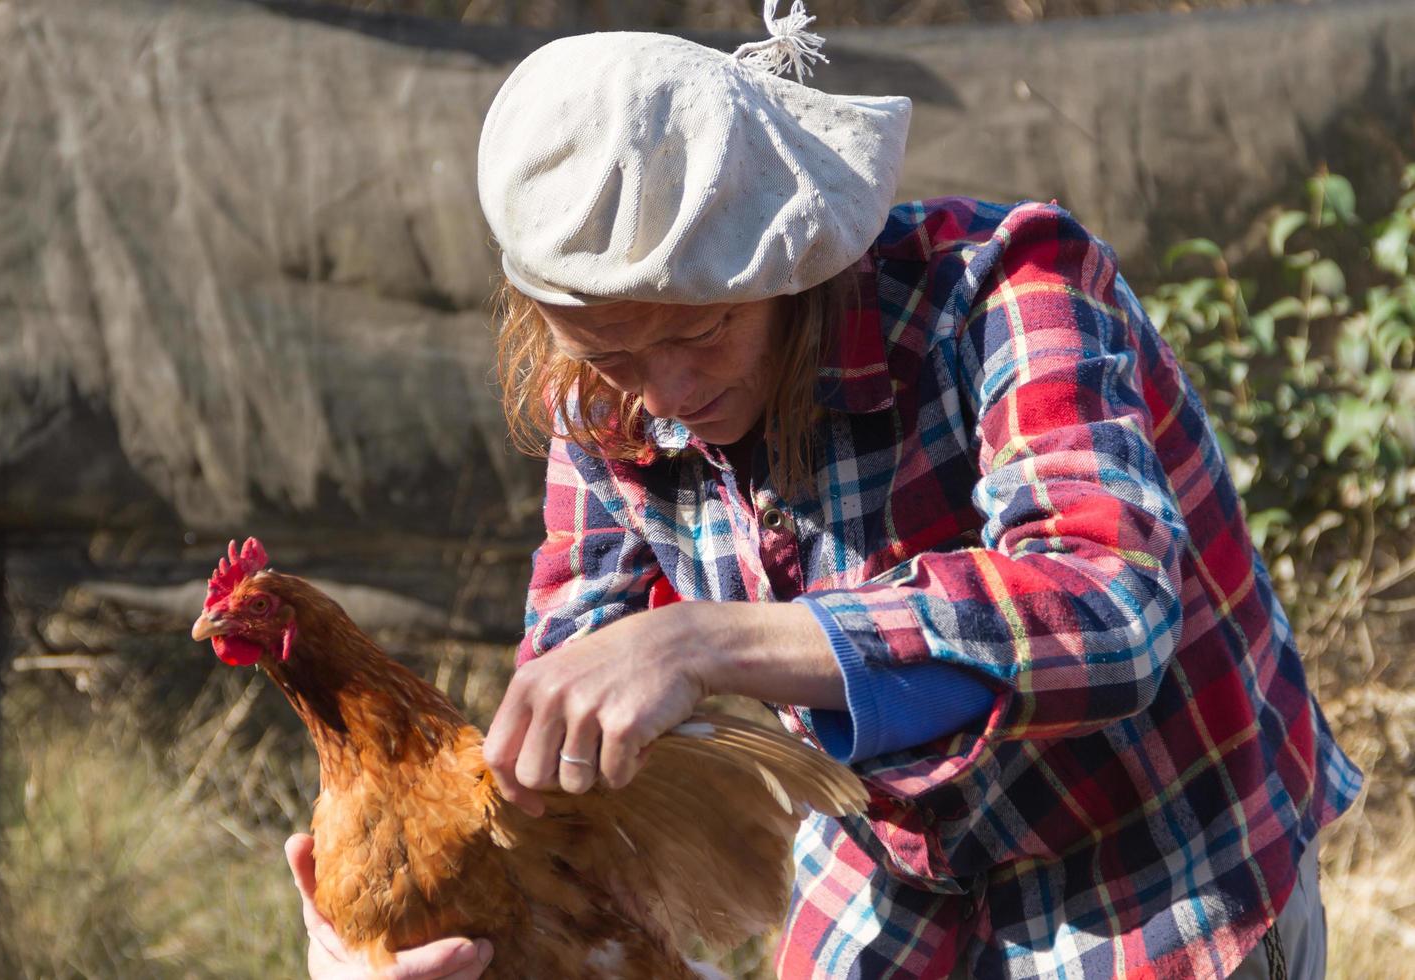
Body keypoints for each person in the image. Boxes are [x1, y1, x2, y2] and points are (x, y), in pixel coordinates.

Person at [286, 6, 1361, 978]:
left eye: (701, 329)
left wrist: (703, 641)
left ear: (791, 262)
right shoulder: (603, 399)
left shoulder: (1002, 290)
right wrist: (406, 918)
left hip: (1154, 855)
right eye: (611, 355)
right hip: (896, 876)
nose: (666, 392)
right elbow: (569, 726)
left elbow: (1108, 609)